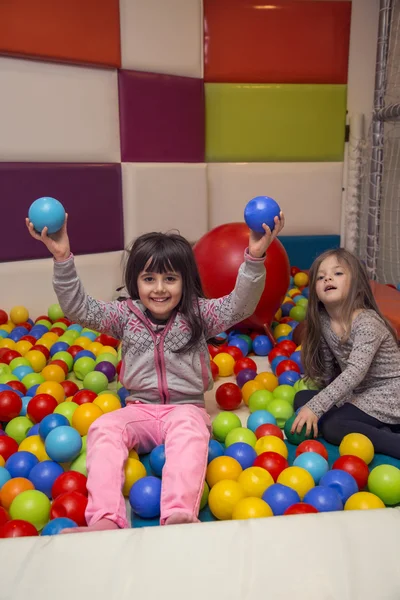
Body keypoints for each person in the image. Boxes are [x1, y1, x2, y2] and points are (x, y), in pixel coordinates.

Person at [26, 212, 285, 532]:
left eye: (170, 279)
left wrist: (255, 256)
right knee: (104, 426)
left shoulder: (199, 314)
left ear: (185, 281)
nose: (159, 289)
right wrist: (63, 258)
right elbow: (80, 308)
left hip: (185, 407)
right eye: (149, 279)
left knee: (189, 432)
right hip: (140, 408)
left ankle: (178, 514)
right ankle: (106, 518)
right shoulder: (125, 315)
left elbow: (239, 305)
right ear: (135, 281)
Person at [291, 248, 400, 458]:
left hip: (391, 392)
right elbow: (331, 367)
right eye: (321, 277)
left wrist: (317, 408)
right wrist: (317, 403)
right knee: (301, 398)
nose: (328, 278)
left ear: (357, 286)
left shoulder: (367, 322)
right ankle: (377, 426)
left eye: (338, 273)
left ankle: (392, 441)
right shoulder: (324, 320)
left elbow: (354, 373)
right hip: (360, 392)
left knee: (334, 426)